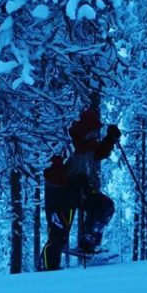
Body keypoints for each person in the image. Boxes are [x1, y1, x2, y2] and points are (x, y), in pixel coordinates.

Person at [40, 108, 121, 271]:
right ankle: (48, 270)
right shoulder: (66, 144)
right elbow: (50, 170)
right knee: (58, 233)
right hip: (60, 194)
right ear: (84, 129)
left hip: (81, 190)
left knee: (104, 206)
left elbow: (98, 152)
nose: (95, 134)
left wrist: (110, 140)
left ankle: (88, 244)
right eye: (93, 131)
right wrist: (69, 180)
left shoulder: (89, 143)